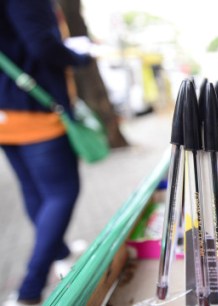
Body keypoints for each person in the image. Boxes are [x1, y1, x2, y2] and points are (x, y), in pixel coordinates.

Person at [0, 0, 91, 305]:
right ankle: (30, 289)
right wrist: (79, 55)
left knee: (35, 190)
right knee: (62, 193)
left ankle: (60, 252)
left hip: (5, 111)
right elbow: (42, 45)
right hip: (34, 108)